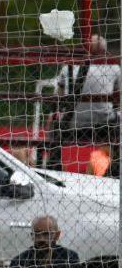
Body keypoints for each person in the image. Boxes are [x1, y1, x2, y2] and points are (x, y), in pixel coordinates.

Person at [47, 33, 121, 170]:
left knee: (53, 119)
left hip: (71, 124)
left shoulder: (68, 67)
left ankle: (53, 163)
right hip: (104, 126)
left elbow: (57, 97)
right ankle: (115, 166)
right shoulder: (114, 68)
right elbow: (118, 96)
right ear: (104, 51)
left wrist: (56, 112)